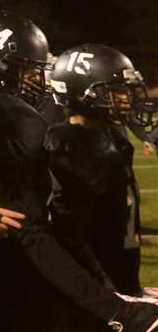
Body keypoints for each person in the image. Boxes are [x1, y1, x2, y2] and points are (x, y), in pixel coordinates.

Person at [0, 10, 158, 332]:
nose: (35, 81)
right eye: (24, 70)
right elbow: (35, 230)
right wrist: (113, 305)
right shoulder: (11, 118)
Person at [46, 44, 149, 297]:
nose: (126, 98)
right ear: (83, 95)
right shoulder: (72, 146)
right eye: (115, 91)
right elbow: (71, 234)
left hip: (120, 273)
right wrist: (105, 291)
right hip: (98, 289)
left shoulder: (114, 138)